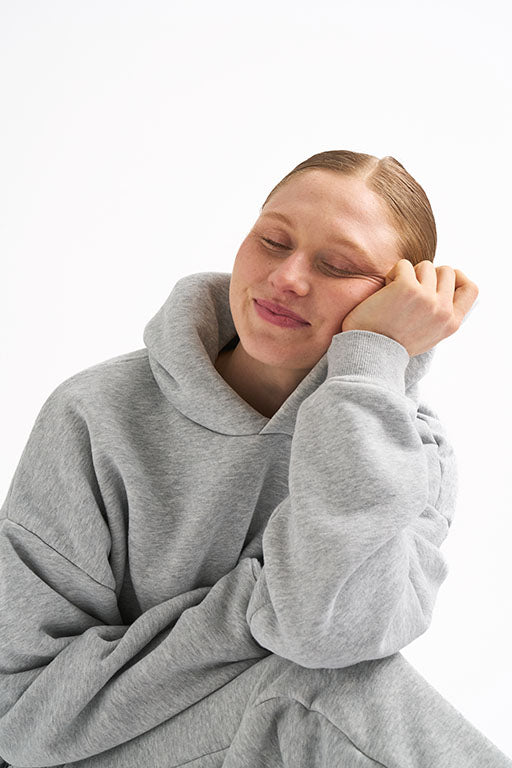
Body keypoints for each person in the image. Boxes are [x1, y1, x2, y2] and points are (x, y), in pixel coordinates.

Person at [0, 149, 509, 768]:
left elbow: (326, 632)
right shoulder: (96, 414)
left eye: (338, 265)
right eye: (272, 240)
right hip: (78, 754)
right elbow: (18, 711)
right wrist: (267, 603)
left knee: (327, 688)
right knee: (320, 693)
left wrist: (371, 368)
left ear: (401, 301)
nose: (289, 277)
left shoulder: (408, 452)